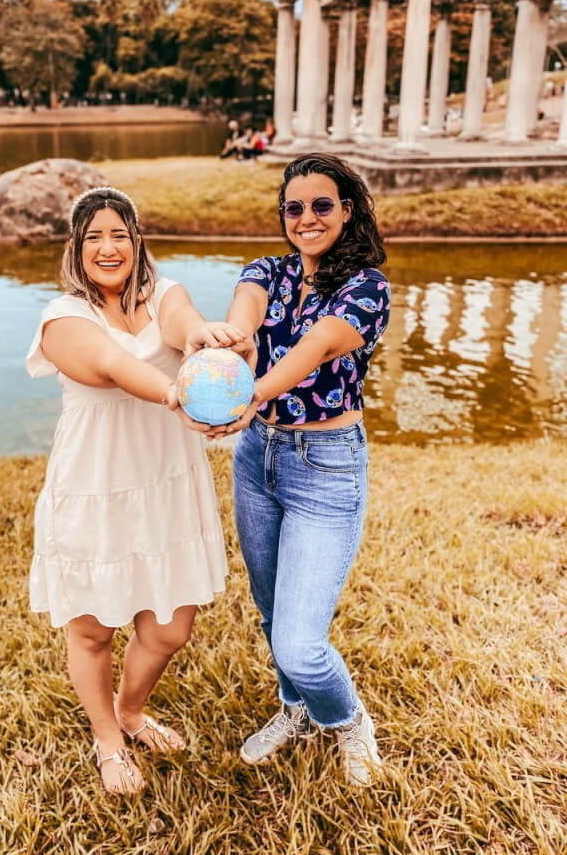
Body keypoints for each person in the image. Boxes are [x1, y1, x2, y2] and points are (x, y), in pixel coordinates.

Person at [25, 186, 244, 796]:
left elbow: (184, 324)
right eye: (93, 236)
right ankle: (107, 736)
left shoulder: (164, 293)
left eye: (118, 233)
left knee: (171, 627)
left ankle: (131, 708)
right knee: (93, 629)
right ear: (76, 248)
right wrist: (176, 393)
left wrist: (205, 340)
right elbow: (112, 366)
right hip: (96, 485)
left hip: (166, 484)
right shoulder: (61, 317)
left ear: (136, 239)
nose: (107, 246)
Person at [213, 153, 390, 787]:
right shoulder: (268, 270)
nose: (307, 218)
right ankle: (295, 710)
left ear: (347, 210)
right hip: (258, 459)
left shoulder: (366, 287)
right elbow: (245, 315)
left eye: (322, 205)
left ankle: (347, 720)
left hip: (326, 466)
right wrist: (228, 349)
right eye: (295, 207)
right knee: (269, 608)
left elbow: (315, 350)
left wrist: (252, 392)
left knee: (299, 642)